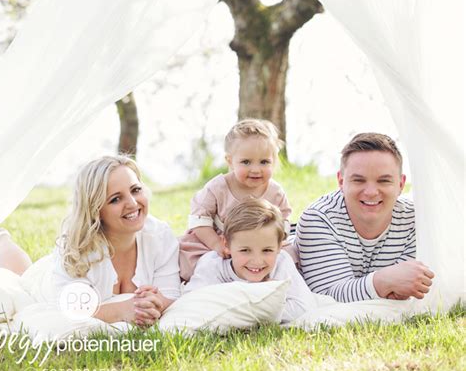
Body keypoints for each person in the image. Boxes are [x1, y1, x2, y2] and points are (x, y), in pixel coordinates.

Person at [0, 155, 181, 327]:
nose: (132, 203)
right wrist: (123, 310)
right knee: (21, 278)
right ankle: (0, 240)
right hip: (51, 284)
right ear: (95, 209)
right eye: (115, 199)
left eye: (136, 190)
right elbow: (70, 309)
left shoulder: (159, 235)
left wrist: (154, 303)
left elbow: (171, 294)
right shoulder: (76, 250)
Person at [295, 133, 435, 303]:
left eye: (383, 181)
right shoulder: (319, 219)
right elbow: (326, 297)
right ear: (341, 181)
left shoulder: (416, 221)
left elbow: (409, 287)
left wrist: (387, 286)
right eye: (359, 180)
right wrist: (384, 281)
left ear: (400, 184)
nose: (371, 192)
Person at [178, 119, 292, 281]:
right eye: (246, 162)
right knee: (206, 263)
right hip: (217, 241)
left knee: (287, 257)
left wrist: (273, 245)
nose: (255, 169)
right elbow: (199, 222)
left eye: (264, 162)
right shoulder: (217, 188)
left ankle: (266, 281)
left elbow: (284, 223)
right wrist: (217, 244)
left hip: (259, 245)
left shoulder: (275, 192)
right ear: (230, 161)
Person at [183, 198, 313, 323]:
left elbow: (303, 306)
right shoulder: (212, 265)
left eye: (267, 250)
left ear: (279, 246)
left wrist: (245, 311)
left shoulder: (282, 262)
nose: (257, 261)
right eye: (245, 250)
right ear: (226, 245)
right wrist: (256, 294)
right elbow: (192, 304)